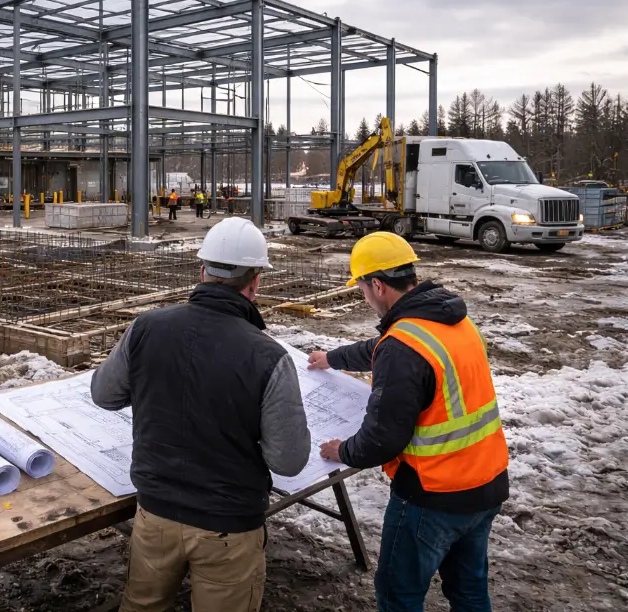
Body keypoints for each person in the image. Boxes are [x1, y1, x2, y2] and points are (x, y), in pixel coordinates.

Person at [92, 217, 310, 612]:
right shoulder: (268, 356)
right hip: (227, 526)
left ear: (201, 270)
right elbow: (289, 460)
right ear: (256, 282)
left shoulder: (146, 327)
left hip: (155, 513)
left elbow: (105, 395)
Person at [309, 232, 509, 612]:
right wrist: (332, 358)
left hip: (433, 495)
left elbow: (382, 439)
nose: (364, 298)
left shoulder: (404, 344)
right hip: (486, 482)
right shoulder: (448, 321)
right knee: (468, 589)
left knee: (398, 595)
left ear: (378, 285)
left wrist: (342, 450)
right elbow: (385, 349)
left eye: (363, 289)